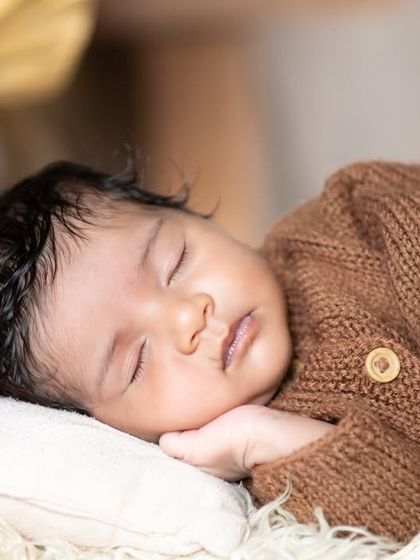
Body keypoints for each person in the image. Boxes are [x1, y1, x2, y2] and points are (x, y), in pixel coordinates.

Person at [0, 160, 418, 543]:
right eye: (138, 361)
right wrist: (267, 440)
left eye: (175, 262)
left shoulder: (341, 225)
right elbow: (402, 525)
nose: (189, 318)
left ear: (197, 218)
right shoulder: (271, 492)